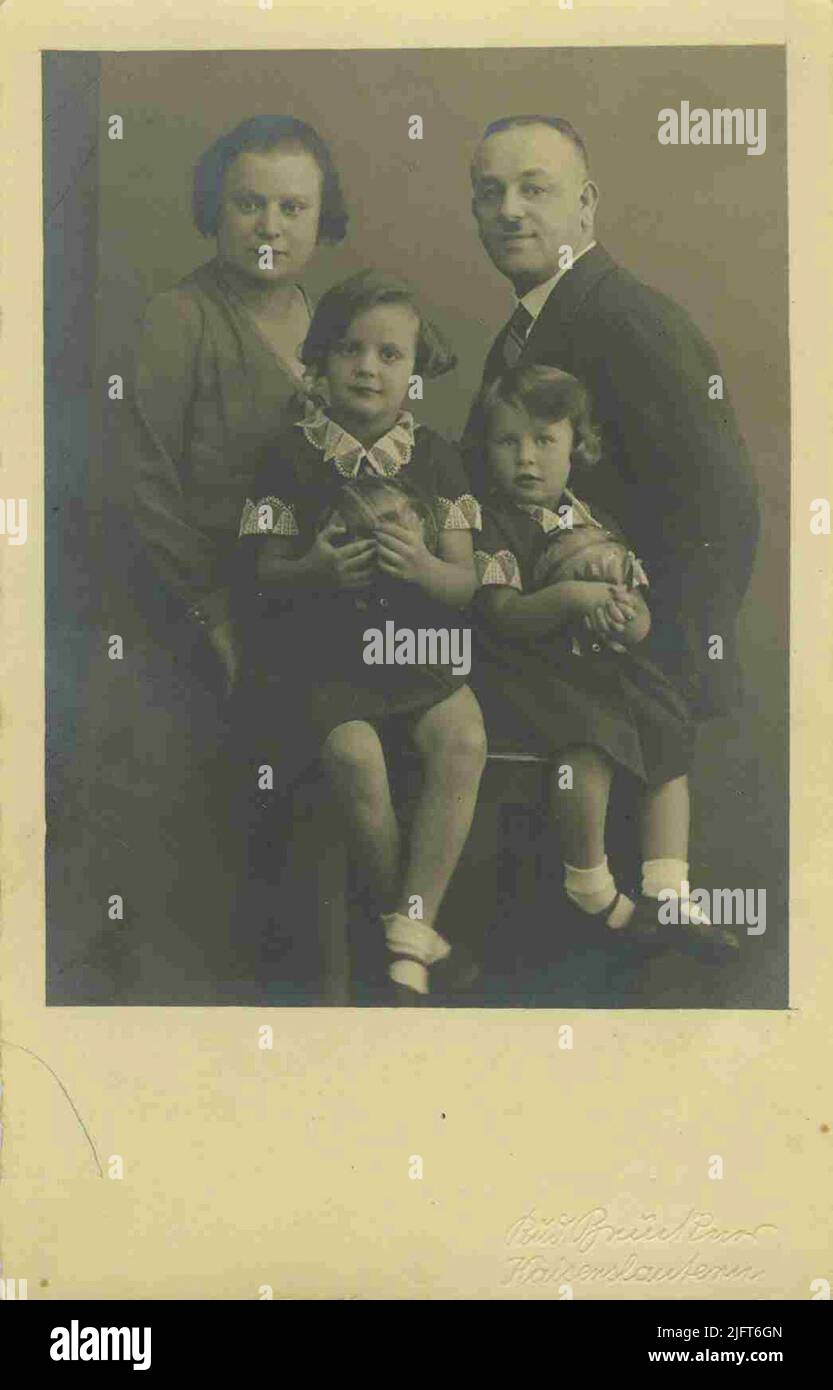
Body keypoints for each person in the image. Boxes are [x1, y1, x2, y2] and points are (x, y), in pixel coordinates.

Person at [236, 270, 487, 1004]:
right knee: (354, 755)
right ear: (318, 360)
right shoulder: (285, 457)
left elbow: (466, 584)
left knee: (463, 737)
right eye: (348, 350)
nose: (368, 368)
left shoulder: (439, 459)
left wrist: (421, 565)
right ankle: (407, 927)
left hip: (415, 651)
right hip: (321, 659)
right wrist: (312, 568)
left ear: (415, 369)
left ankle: (407, 940)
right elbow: (259, 576)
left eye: (389, 354)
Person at [464, 114, 760, 723]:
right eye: (491, 192)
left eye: (534, 188)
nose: (509, 210)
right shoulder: (520, 336)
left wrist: (658, 650)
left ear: (586, 203)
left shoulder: (634, 321)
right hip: (552, 662)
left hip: (629, 671)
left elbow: (725, 507)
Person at [471, 364, 739, 961]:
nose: (526, 459)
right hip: (528, 671)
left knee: (668, 724)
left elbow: (638, 612)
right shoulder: (490, 523)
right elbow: (503, 614)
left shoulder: (595, 522)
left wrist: (626, 617)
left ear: (577, 447)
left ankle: (668, 890)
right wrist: (571, 597)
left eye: (544, 441)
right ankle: (588, 885)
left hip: (600, 666)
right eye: (508, 441)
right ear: (488, 447)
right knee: (590, 741)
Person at [128, 114, 349, 692]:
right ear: (215, 211)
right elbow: (145, 486)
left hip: (314, 598)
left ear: (322, 218)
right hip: (206, 612)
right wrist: (212, 612)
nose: (269, 227)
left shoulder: (334, 324)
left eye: (292, 208)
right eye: (249, 204)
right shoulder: (178, 319)